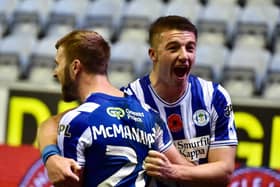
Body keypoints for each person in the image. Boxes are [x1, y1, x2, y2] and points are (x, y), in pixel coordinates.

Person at [38, 15, 238, 186]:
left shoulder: (214, 97)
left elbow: (225, 172)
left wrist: (172, 171)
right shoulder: (131, 100)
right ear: (153, 54)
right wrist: (51, 157)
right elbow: (52, 124)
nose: (184, 56)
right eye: (173, 48)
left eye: (190, 48)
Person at [38, 29, 190, 187]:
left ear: (75, 67)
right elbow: (187, 171)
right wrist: (51, 157)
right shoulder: (150, 115)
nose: (55, 73)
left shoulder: (77, 120)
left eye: (58, 64)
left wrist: (50, 157)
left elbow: (50, 126)